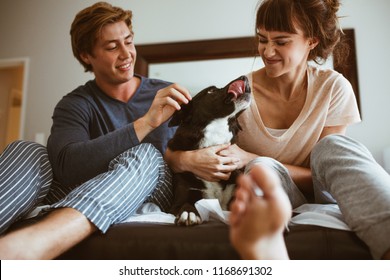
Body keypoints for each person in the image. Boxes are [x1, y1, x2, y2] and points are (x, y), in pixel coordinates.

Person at [167, 0, 390, 260]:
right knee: (260, 170)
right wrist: (186, 159)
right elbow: (181, 150)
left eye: (281, 42)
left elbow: (324, 176)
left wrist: (250, 157)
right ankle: (268, 244)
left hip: (320, 192)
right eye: (262, 39)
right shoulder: (241, 95)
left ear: (311, 42)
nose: (267, 51)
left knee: (332, 148)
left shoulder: (334, 88)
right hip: (270, 190)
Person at [0, 1, 201, 259]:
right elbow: (66, 166)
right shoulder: (75, 103)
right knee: (26, 148)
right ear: (87, 55)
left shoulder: (168, 93)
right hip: (83, 189)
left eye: (128, 41)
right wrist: (146, 123)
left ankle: (42, 241)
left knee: (147, 154)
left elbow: (197, 155)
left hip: (149, 188)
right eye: (112, 46)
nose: (126, 53)